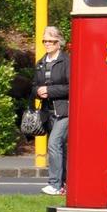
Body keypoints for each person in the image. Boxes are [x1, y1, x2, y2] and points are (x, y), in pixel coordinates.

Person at [35, 25, 70, 196]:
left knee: (54, 144)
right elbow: (34, 86)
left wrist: (50, 91)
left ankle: (55, 184)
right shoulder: (41, 63)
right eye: (45, 41)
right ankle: (65, 184)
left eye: (51, 41)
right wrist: (38, 91)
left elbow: (71, 87)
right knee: (61, 148)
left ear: (58, 42)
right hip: (47, 112)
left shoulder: (66, 61)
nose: (47, 44)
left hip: (64, 111)